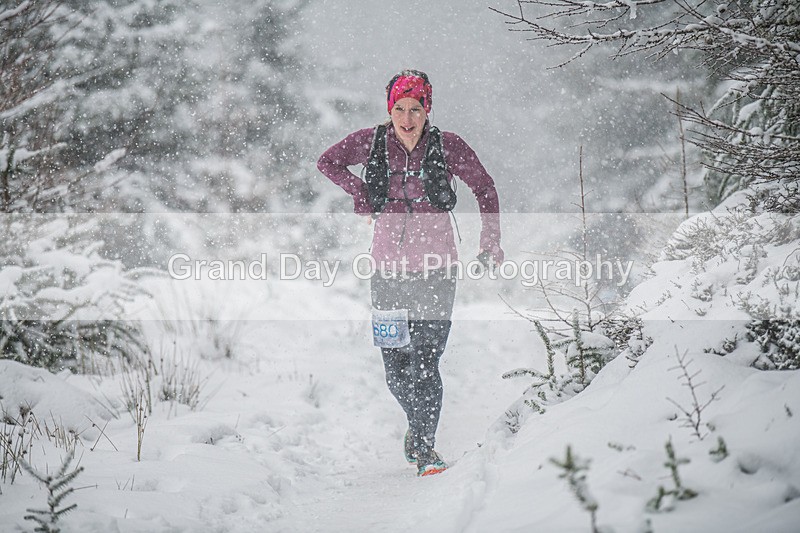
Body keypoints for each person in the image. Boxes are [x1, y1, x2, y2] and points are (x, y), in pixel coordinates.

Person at [317, 69, 503, 477]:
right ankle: (416, 425)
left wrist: (490, 241)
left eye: (415, 109)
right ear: (390, 109)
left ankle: (424, 447)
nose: (407, 118)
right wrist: (361, 192)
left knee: (426, 361)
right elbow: (327, 161)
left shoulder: (448, 146)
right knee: (395, 365)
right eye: (399, 109)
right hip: (386, 272)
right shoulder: (370, 142)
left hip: (438, 270)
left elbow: (485, 187)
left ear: (427, 110)